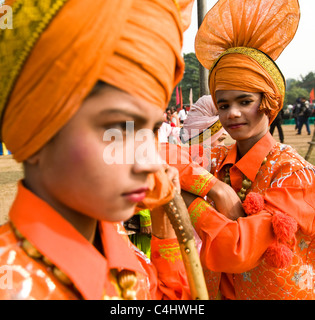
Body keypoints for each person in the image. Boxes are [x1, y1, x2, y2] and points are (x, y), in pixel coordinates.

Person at [0, 0, 195, 300]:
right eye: (118, 128)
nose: (150, 162)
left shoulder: (128, 261)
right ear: (37, 128)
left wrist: (165, 228)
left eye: (152, 130)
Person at [179, 0, 315, 300]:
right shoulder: (216, 161)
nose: (232, 114)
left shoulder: (293, 173)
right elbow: (156, 154)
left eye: (244, 102)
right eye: (224, 105)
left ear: (267, 102)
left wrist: (187, 197)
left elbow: (236, 249)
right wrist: (216, 188)